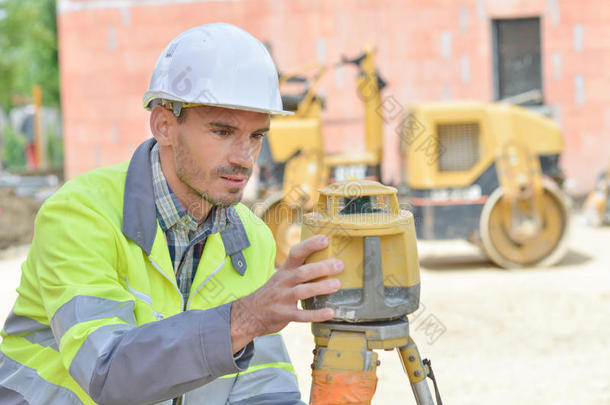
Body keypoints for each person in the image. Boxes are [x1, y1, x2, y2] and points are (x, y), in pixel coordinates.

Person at [0, 22, 344, 405]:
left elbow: (261, 386)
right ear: (164, 125)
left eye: (256, 136)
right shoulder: (79, 215)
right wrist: (242, 319)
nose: (243, 158)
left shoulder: (252, 240)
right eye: (222, 132)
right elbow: (108, 373)